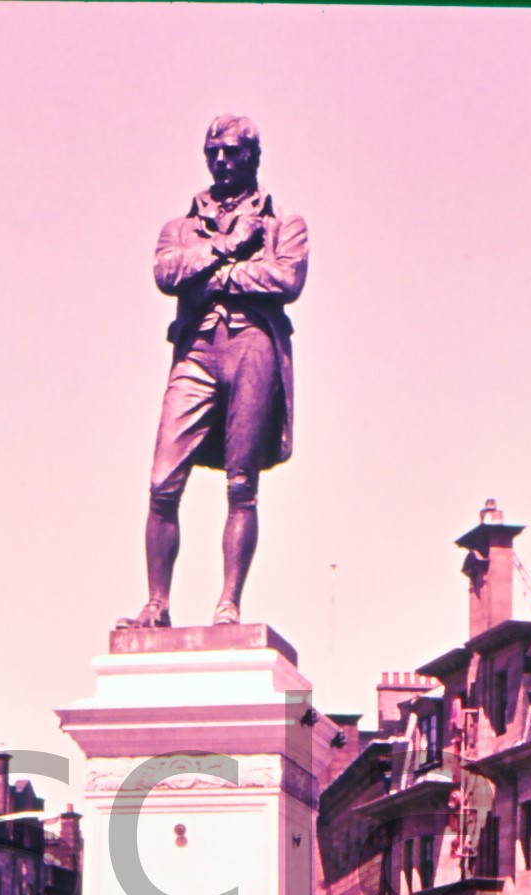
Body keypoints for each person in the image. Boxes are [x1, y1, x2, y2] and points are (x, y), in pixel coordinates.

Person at [118, 115, 308, 630]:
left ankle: (228, 604)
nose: (221, 161)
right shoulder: (178, 227)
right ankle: (156, 603)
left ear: (253, 157)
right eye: (213, 153)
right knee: (162, 482)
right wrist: (225, 249)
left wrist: (216, 277)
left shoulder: (284, 223)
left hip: (253, 345)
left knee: (242, 485)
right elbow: (166, 272)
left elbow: (286, 278)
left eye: (231, 152)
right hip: (197, 350)